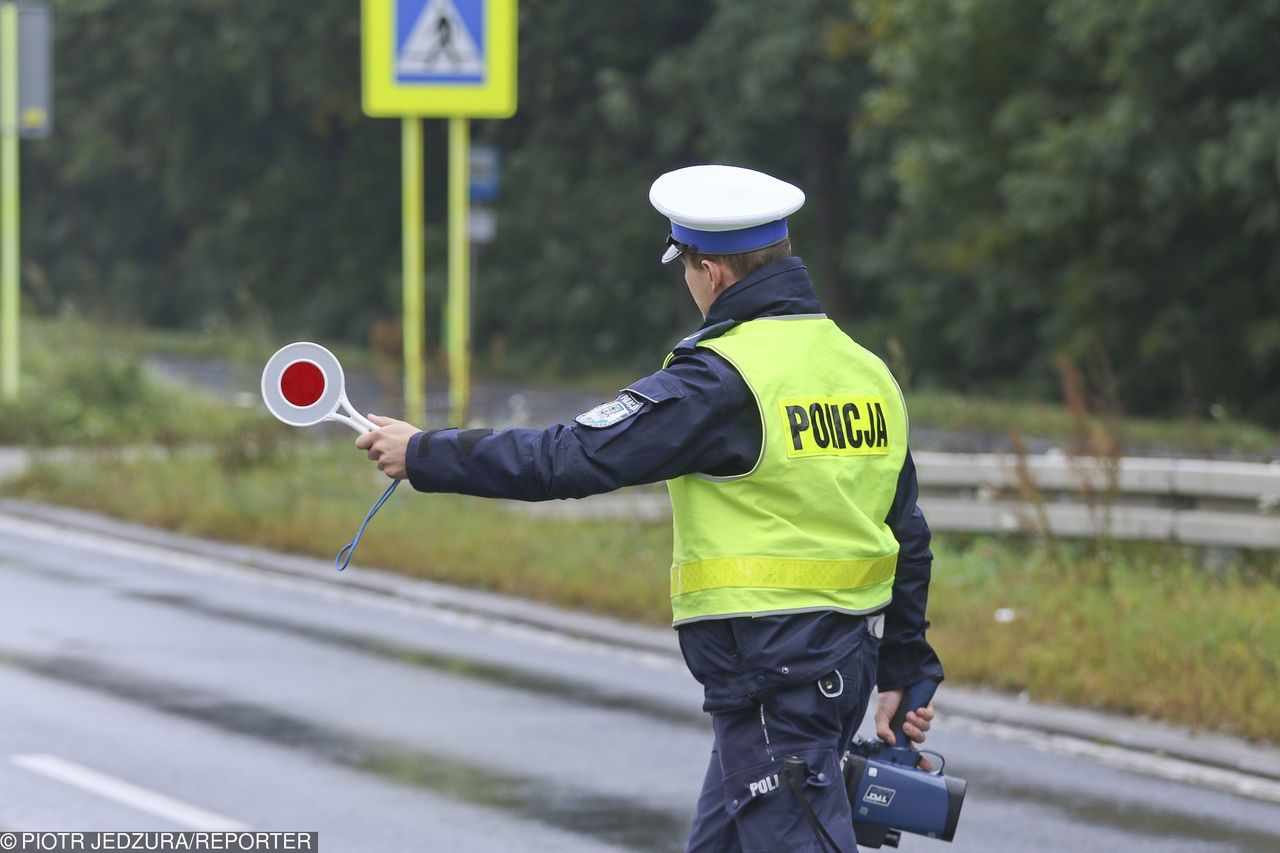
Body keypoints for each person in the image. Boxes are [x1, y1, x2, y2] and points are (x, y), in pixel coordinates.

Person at [356, 164, 944, 852]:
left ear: (713, 274)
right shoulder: (866, 371)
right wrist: (904, 665)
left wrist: (425, 453)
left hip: (771, 674)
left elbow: (567, 455)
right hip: (837, 665)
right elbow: (907, 531)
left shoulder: (725, 378)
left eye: (687, 269)